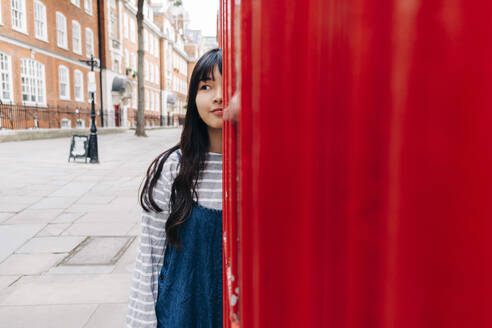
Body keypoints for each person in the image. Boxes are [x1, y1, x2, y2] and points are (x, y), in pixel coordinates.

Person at [127, 48, 224, 328]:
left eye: (231, 86)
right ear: (193, 99)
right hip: (181, 316)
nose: (218, 96)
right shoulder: (171, 169)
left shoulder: (262, 170)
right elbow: (150, 256)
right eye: (207, 86)